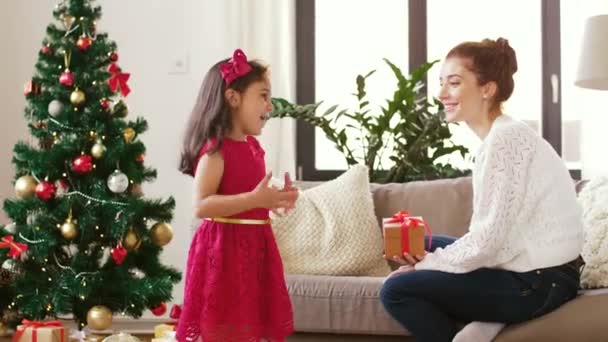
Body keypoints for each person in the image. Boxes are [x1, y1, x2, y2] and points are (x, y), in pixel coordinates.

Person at [379, 38, 583, 342]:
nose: (441, 94)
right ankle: (486, 318)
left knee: (395, 290)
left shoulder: (505, 141)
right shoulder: (502, 135)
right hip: (533, 266)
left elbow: (487, 241)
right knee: (423, 242)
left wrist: (426, 266)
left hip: (541, 281)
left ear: (487, 89)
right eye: (441, 83)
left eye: (454, 83)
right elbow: (493, 239)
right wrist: (430, 261)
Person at [176, 49, 298, 342]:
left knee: (251, 324)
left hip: (255, 247)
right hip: (223, 251)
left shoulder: (254, 148)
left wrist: (275, 199)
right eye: (263, 96)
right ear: (233, 98)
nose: (269, 106)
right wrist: (255, 200)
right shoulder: (217, 152)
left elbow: (251, 197)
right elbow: (202, 206)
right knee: (223, 326)